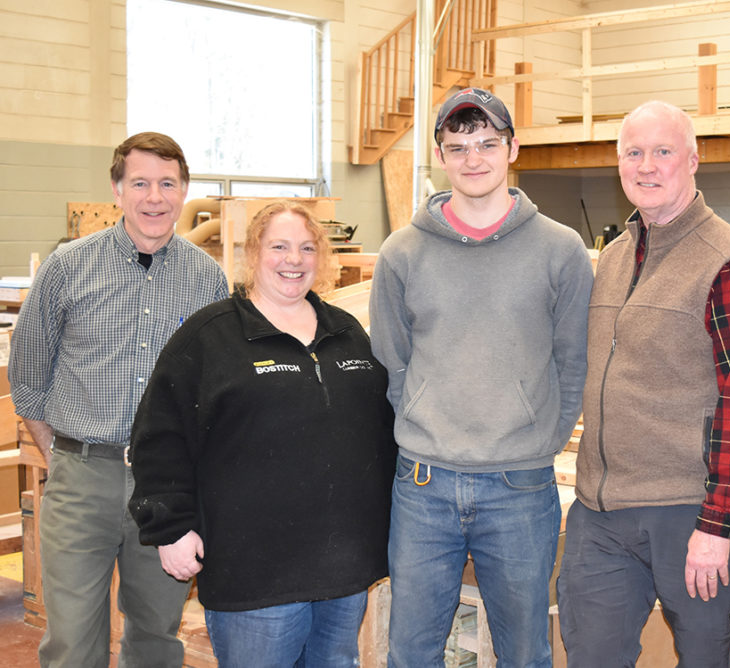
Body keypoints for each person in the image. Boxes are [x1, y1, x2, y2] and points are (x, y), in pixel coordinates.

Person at [369, 87, 593, 667]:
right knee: (412, 651)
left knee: (524, 653)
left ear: (512, 148)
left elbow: (573, 361)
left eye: (488, 144)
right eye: (458, 146)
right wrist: (424, 422)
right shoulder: (402, 253)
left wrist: (537, 441)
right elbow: (390, 363)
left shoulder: (560, 250)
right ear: (441, 156)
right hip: (423, 485)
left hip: (520, 488)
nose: (474, 159)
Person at [128, 200, 396, 667]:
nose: (293, 259)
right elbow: (160, 436)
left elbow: (380, 434)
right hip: (254, 573)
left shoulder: (346, 332)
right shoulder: (210, 337)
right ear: (254, 254)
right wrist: (170, 528)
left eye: (306, 248)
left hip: (343, 569)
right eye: (279, 246)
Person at [557, 100, 730, 668]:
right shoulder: (616, 253)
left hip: (688, 511)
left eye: (662, 152)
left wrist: (718, 522)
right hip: (600, 511)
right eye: (633, 152)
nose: (646, 166)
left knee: (705, 658)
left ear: (693, 160)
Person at [8, 132, 229, 667]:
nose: (154, 197)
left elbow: (217, 390)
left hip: (169, 484)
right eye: (140, 183)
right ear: (117, 189)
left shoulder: (208, 281)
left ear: (184, 191)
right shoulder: (68, 268)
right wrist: (64, 458)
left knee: (156, 634)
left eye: (167, 184)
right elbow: (28, 378)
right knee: (72, 639)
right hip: (83, 478)